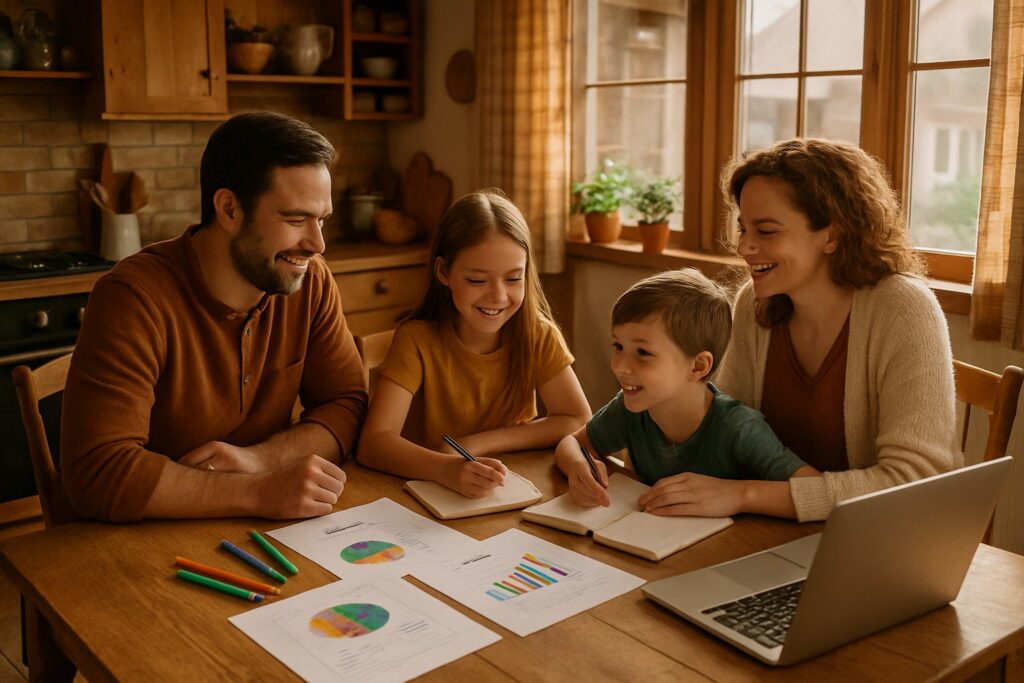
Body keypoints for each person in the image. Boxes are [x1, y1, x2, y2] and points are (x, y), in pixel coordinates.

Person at [62, 112, 368, 522]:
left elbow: (346, 405)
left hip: (262, 526)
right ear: (228, 209)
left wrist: (260, 461)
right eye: (296, 219)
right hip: (144, 538)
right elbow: (99, 472)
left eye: (322, 220)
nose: (317, 244)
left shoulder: (308, 281)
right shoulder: (133, 298)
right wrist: (258, 492)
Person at [643, 137, 958, 522]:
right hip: (773, 531)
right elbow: (723, 433)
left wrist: (746, 495)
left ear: (832, 235)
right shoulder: (753, 304)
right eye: (743, 229)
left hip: (875, 538)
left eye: (766, 231)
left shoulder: (904, 308)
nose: (744, 247)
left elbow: (915, 482)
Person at [357, 189, 591, 498]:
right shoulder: (416, 340)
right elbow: (373, 444)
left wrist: (477, 443)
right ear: (443, 272)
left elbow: (577, 419)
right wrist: (446, 468)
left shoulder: (538, 335)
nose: (498, 296)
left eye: (513, 278)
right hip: (426, 494)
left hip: (508, 491)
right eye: (477, 280)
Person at [555, 268, 816, 509]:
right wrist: (577, 465)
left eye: (643, 352)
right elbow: (573, 442)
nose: (620, 366)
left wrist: (741, 495)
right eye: (618, 346)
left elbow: (813, 489)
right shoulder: (630, 408)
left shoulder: (739, 428)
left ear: (698, 366)